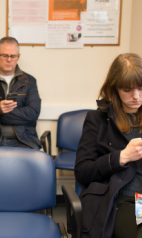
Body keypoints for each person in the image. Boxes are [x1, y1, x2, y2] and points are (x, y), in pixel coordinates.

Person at [71, 53, 142, 238]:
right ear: (114, 88)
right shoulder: (97, 119)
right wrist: (122, 157)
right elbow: (82, 171)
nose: (137, 97)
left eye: (141, 88)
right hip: (126, 197)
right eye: (128, 90)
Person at [0, 36, 41, 150]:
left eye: (13, 56)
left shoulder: (29, 81)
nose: (9, 60)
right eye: (4, 55)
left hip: (24, 140)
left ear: (18, 57)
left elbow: (33, 113)